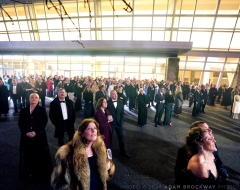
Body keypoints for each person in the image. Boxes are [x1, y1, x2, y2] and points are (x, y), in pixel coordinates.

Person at [51, 118, 115, 190]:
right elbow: (59, 183)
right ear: (82, 134)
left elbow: (107, 174)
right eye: (89, 128)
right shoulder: (67, 153)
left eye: (95, 128)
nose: (93, 131)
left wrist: (108, 165)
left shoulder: (100, 147)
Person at [174, 121, 228, 187]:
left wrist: (222, 172)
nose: (210, 130)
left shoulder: (211, 146)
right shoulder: (185, 150)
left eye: (208, 128)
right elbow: (179, 172)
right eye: (205, 129)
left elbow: (217, 160)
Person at [18, 93, 52, 182]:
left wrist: (35, 132)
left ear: (38, 99)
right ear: (29, 99)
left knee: (39, 154)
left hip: (39, 136)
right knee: (27, 153)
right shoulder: (23, 110)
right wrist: (26, 132)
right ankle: (26, 171)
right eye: (32, 97)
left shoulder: (42, 110)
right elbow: (20, 123)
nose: (33, 99)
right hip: (26, 136)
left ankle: (39, 172)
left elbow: (44, 122)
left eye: (35, 97)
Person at [107, 90, 130, 158]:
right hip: (111, 123)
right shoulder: (107, 103)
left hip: (119, 123)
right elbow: (106, 112)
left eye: (116, 94)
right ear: (111, 95)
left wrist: (122, 121)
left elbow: (122, 112)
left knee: (121, 138)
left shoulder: (120, 101)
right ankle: (109, 154)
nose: (116, 95)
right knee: (109, 139)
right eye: (114, 94)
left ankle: (123, 152)